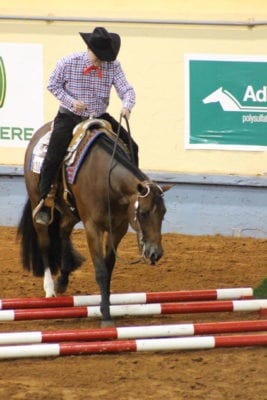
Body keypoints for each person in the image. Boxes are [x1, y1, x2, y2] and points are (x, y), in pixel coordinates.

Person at [33, 26, 139, 226]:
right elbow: (52, 85)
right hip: (71, 116)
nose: (101, 61)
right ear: (89, 48)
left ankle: (134, 193)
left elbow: (127, 89)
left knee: (132, 146)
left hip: (100, 116)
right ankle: (45, 200)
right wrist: (72, 101)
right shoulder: (68, 62)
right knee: (54, 155)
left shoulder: (113, 65)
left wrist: (127, 106)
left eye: (104, 57)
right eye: (98, 56)